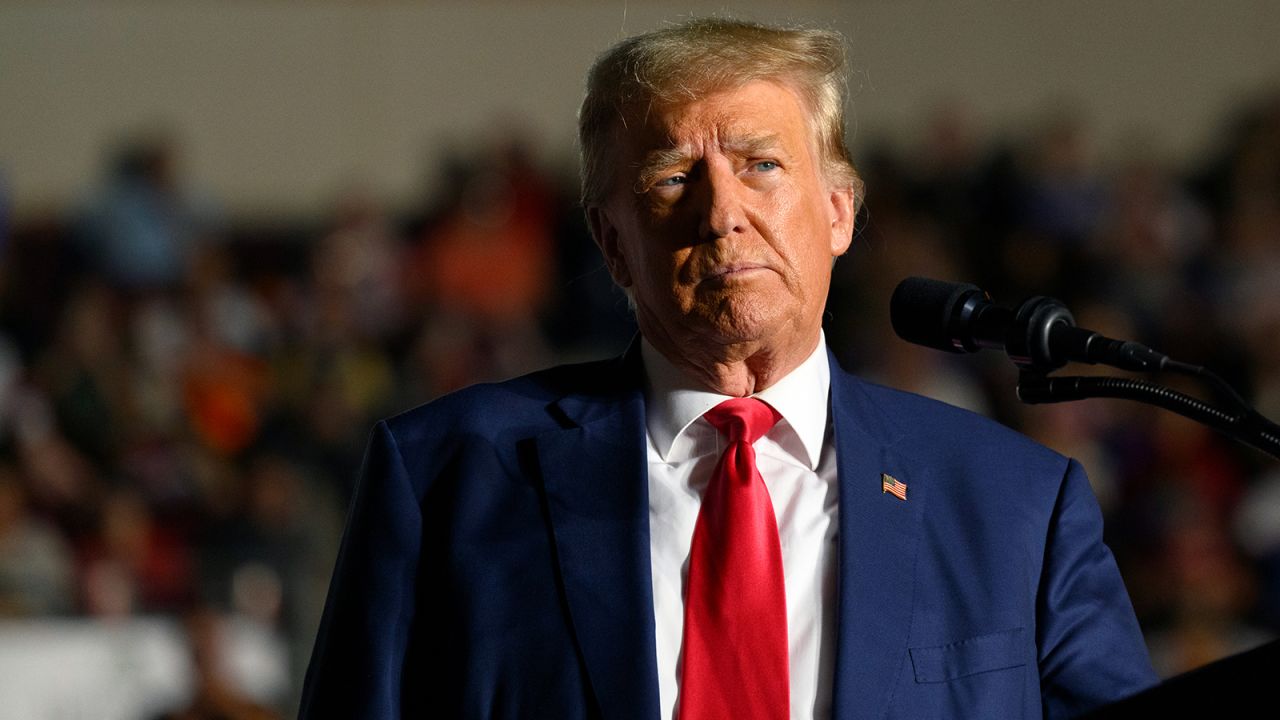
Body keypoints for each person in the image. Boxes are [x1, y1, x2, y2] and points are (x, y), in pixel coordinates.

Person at [299, 18, 1157, 720]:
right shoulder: (446, 475)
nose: (722, 213)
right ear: (613, 245)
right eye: (674, 178)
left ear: (837, 211)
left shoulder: (1017, 505)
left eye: (762, 165)